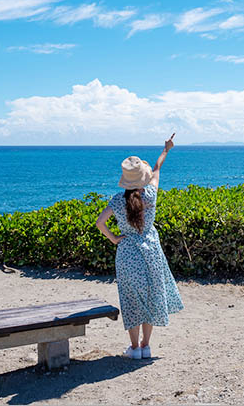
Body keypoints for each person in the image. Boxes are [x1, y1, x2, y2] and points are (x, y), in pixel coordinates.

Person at [95, 133, 184, 359]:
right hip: (151, 250)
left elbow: (99, 223)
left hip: (127, 253)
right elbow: (156, 169)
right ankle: (146, 345)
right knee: (151, 295)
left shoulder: (117, 200)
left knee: (132, 299)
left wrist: (114, 238)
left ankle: (134, 348)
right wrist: (166, 149)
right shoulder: (151, 195)